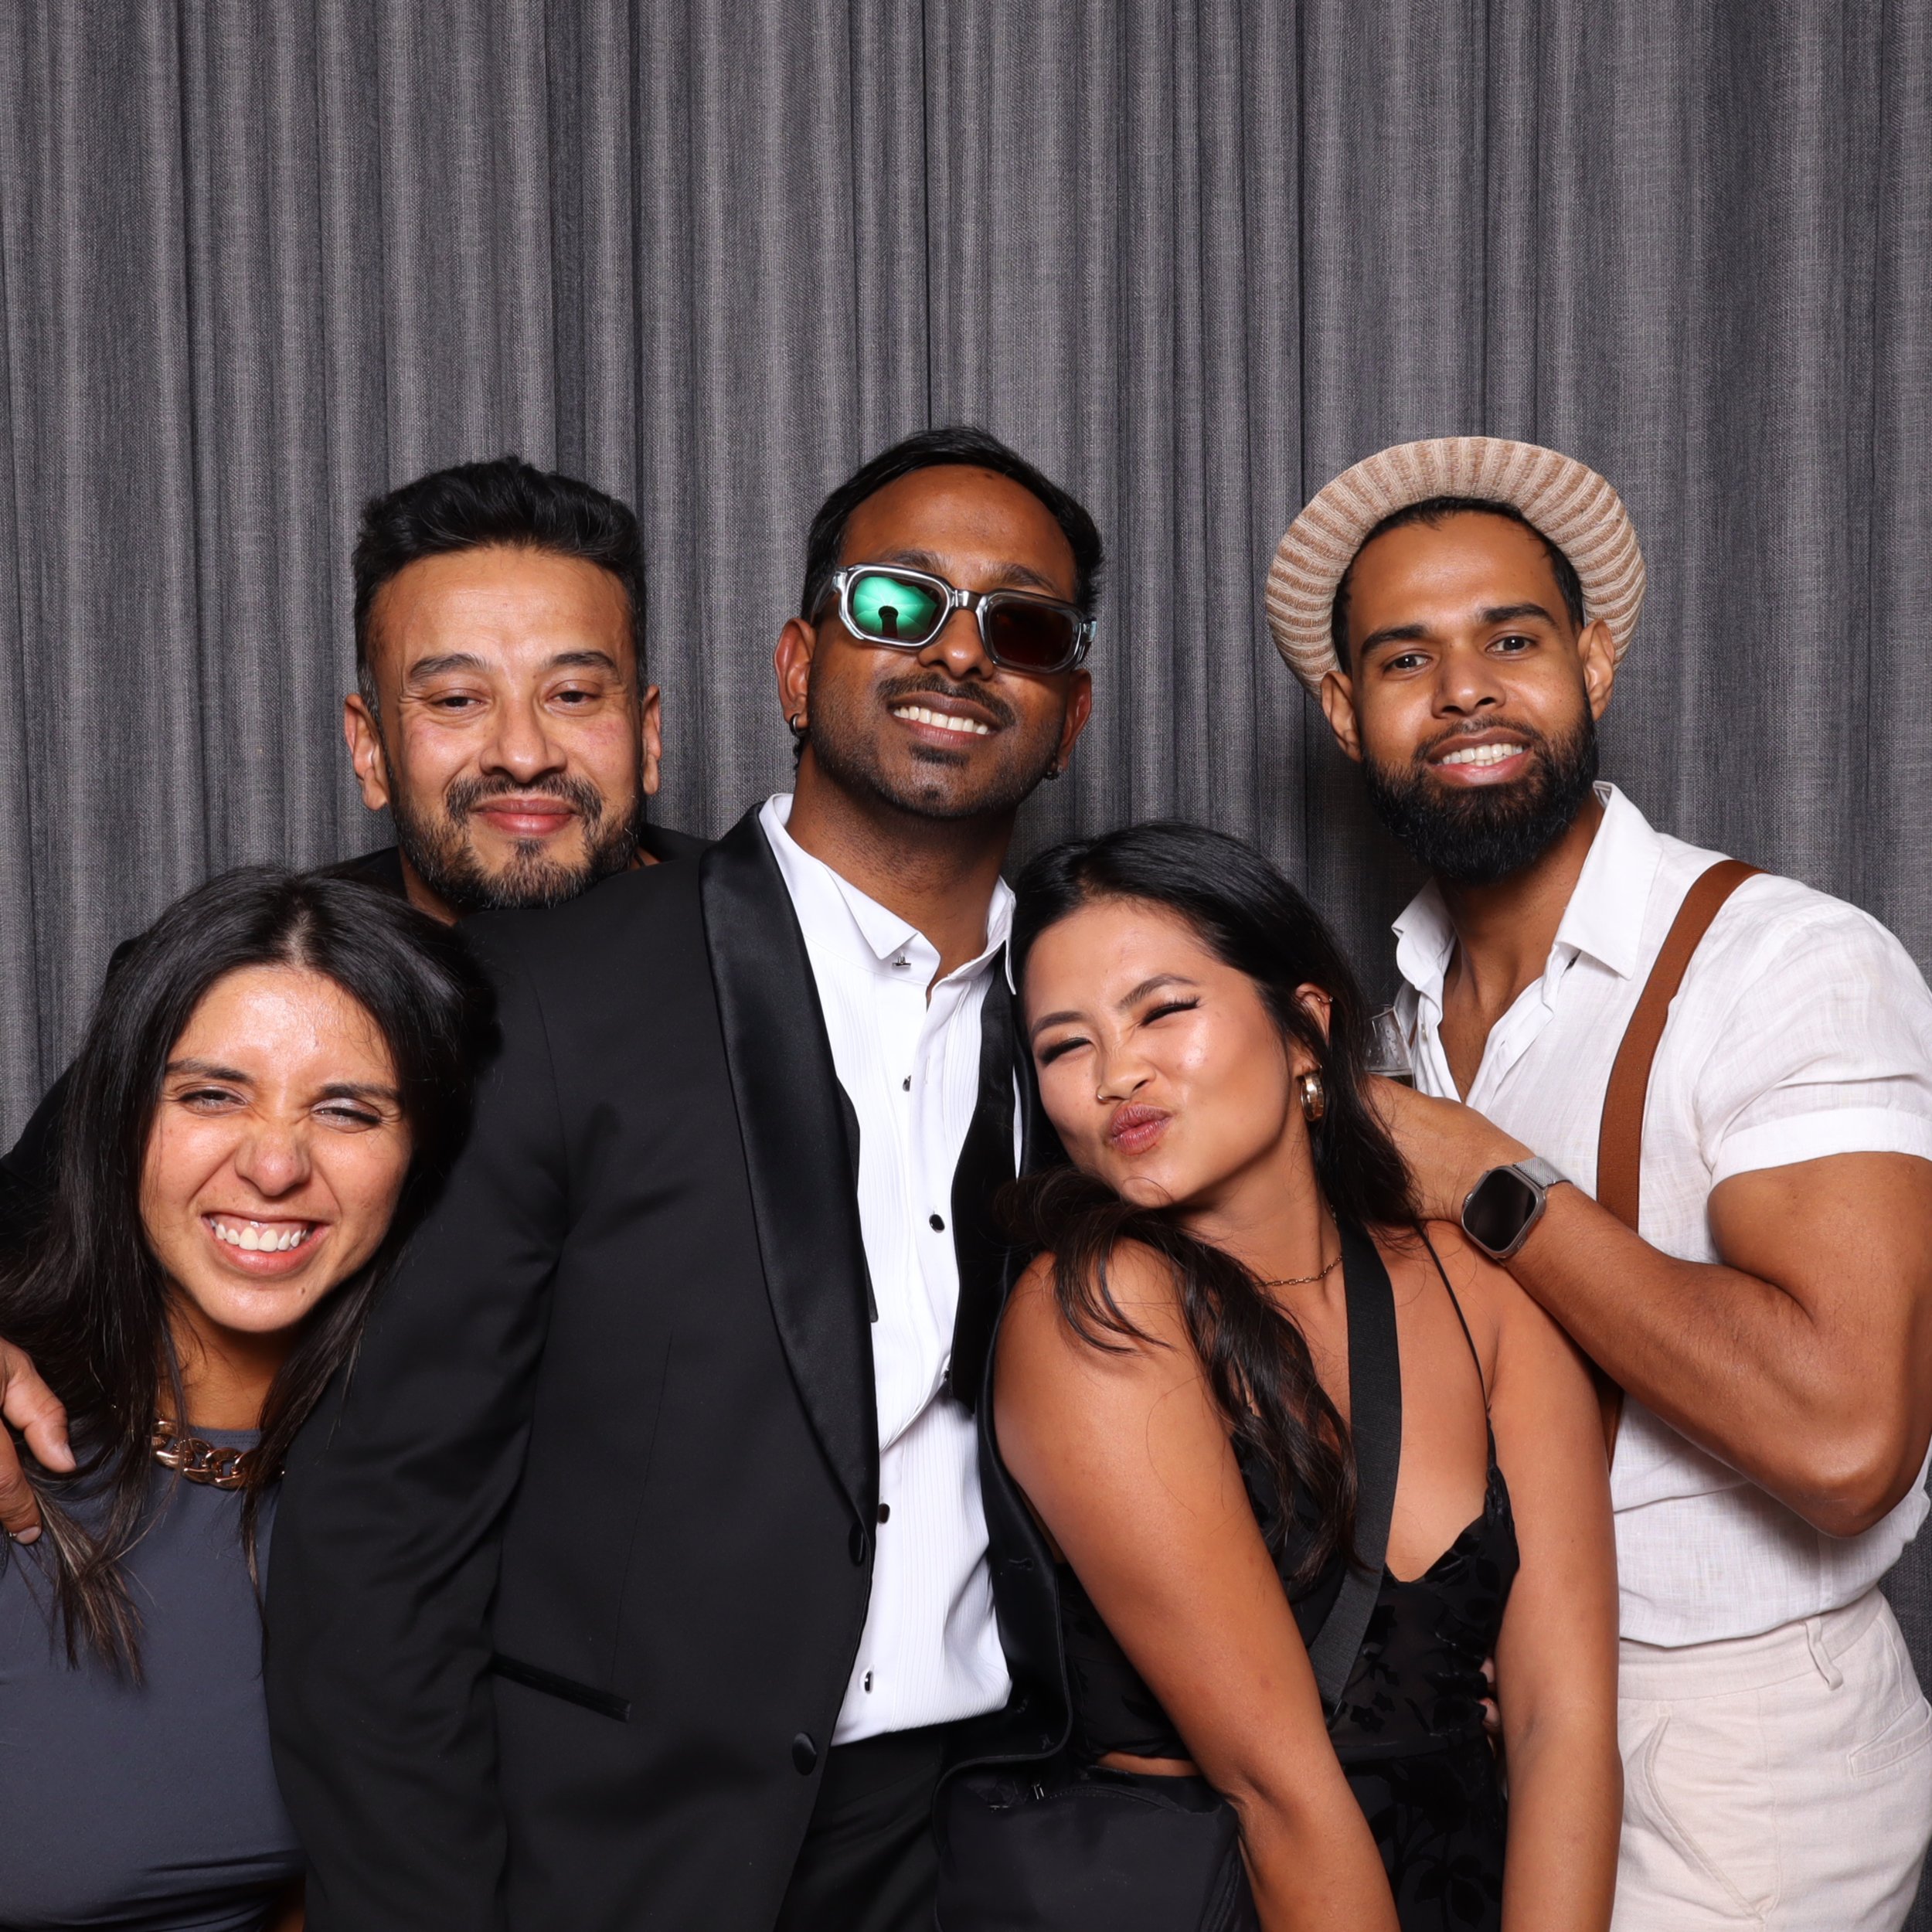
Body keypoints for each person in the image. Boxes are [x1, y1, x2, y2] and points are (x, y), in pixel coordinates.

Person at [262, 424, 1098, 1931]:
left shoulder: (1097, 1016)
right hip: (628, 1858)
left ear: (1070, 708)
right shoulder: (543, 995)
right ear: (792, 668)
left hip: (976, 1839)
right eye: (897, 606)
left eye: (1019, 625)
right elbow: (377, 1544)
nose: (961, 654)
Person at [1267, 434, 1932, 1929]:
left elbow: (1845, 1439)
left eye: (1512, 638)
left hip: (1740, 1750)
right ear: (1343, 709)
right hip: (1484, 1736)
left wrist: (1493, 1180)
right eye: (1403, 658)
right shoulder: (1387, 1024)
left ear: (1595, 662)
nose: (1465, 692)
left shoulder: (1786, 965)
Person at [0, 454, 701, 1536]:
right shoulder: (253, 983)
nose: (522, 751)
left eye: (573, 694)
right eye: (458, 699)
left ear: (646, 734)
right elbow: (32, 1246)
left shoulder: (776, 963)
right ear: (370, 749)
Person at [966, 821, 1618, 1930]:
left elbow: (1566, 1728)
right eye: (1063, 1047)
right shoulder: (1101, 1312)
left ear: (1307, 1029)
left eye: (1164, 1010)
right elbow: (1280, 1794)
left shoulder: (1481, 1292)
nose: (1117, 1073)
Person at [0, 866, 490, 1932]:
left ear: (422, 1157)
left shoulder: (456, 1491)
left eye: (348, 1110)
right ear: (123, 1117)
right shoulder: (12, 1444)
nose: (274, 1165)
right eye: (213, 1094)